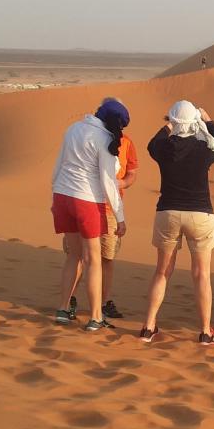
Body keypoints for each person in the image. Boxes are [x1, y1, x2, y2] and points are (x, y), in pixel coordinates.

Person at [141, 100, 214, 344]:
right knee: (202, 274)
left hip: (168, 213)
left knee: (162, 272)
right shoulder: (204, 148)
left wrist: (169, 124)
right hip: (200, 215)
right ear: (194, 123)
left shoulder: (164, 149)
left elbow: (151, 144)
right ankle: (205, 332)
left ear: (174, 122)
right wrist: (208, 120)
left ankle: (148, 327)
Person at [51, 99, 128, 332]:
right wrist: (120, 216)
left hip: (62, 196)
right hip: (86, 201)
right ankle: (96, 316)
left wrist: (54, 195)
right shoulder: (104, 139)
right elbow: (108, 181)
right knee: (93, 259)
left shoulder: (73, 128)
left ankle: (63, 309)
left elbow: (59, 163)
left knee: (73, 256)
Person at [64, 104, 139, 321]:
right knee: (77, 256)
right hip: (85, 203)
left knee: (107, 257)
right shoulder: (88, 136)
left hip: (109, 209)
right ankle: (69, 301)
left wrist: (121, 184)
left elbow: (132, 173)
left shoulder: (126, 143)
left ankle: (104, 303)